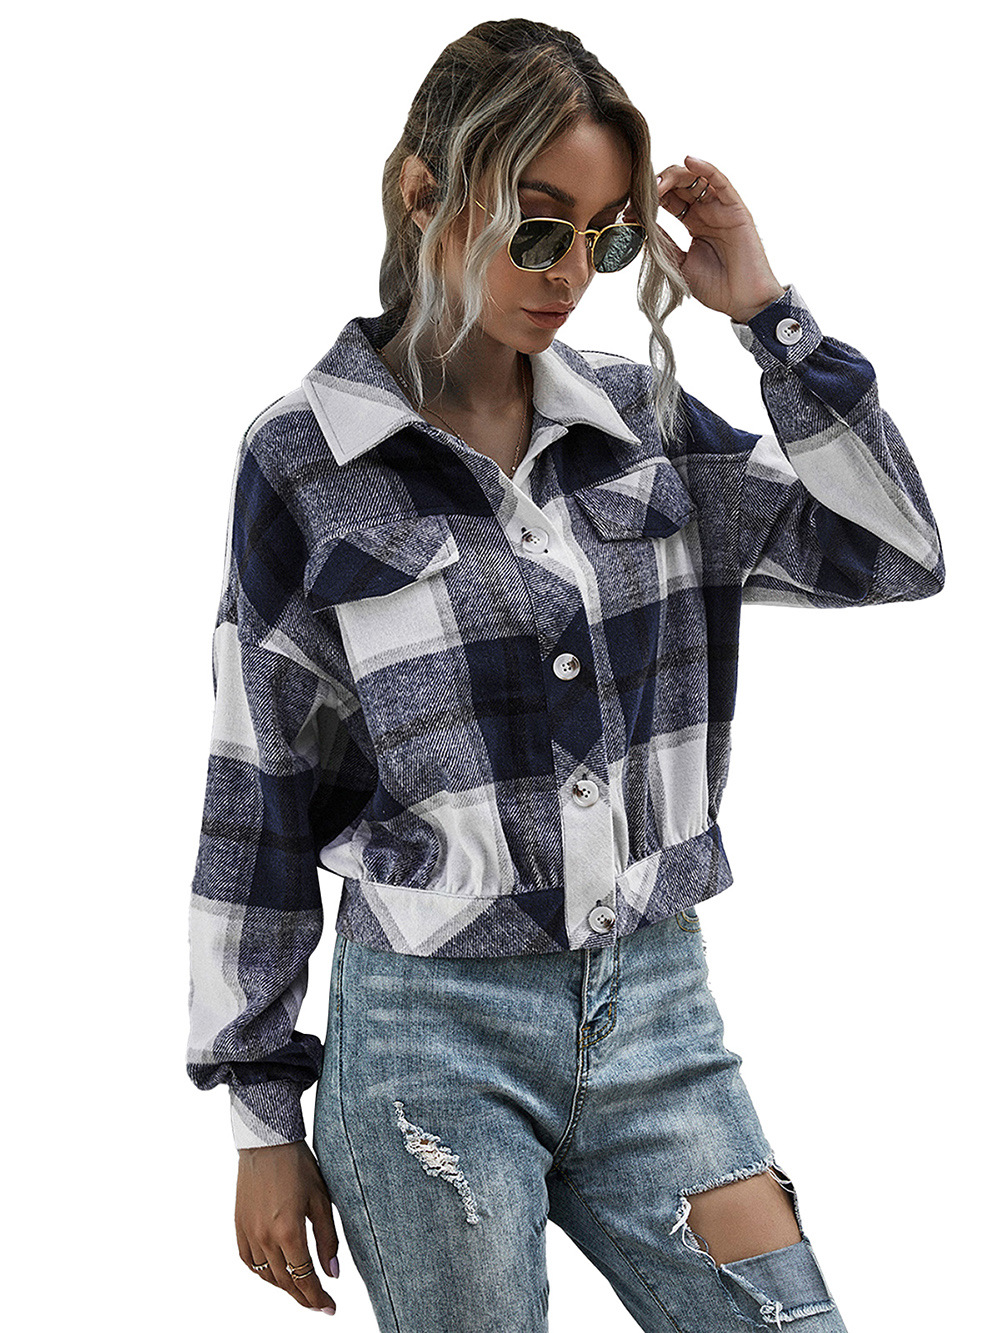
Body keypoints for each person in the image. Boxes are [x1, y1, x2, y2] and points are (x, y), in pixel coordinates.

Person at [185, 17, 944, 1331]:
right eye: (537, 228)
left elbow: (893, 552)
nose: (571, 274)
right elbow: (260, 787)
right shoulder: (306, 458)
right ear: (423, 193)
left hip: (661, 1022)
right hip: (427, 1044)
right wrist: (260, 1113)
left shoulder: (645, 425)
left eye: (604, 237)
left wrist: (770, 318)